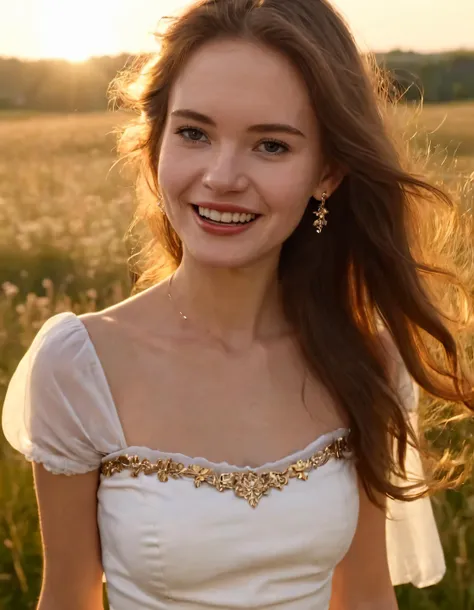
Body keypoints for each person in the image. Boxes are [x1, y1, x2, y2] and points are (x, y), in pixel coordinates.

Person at [2, 0, 474, 609]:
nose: (222, 177)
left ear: (326, 173)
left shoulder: (368, 362)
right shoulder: (80, 365)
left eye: (271, 146)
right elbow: (68, 596)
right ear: (156, 142)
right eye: (194, 133)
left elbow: (364, 595)